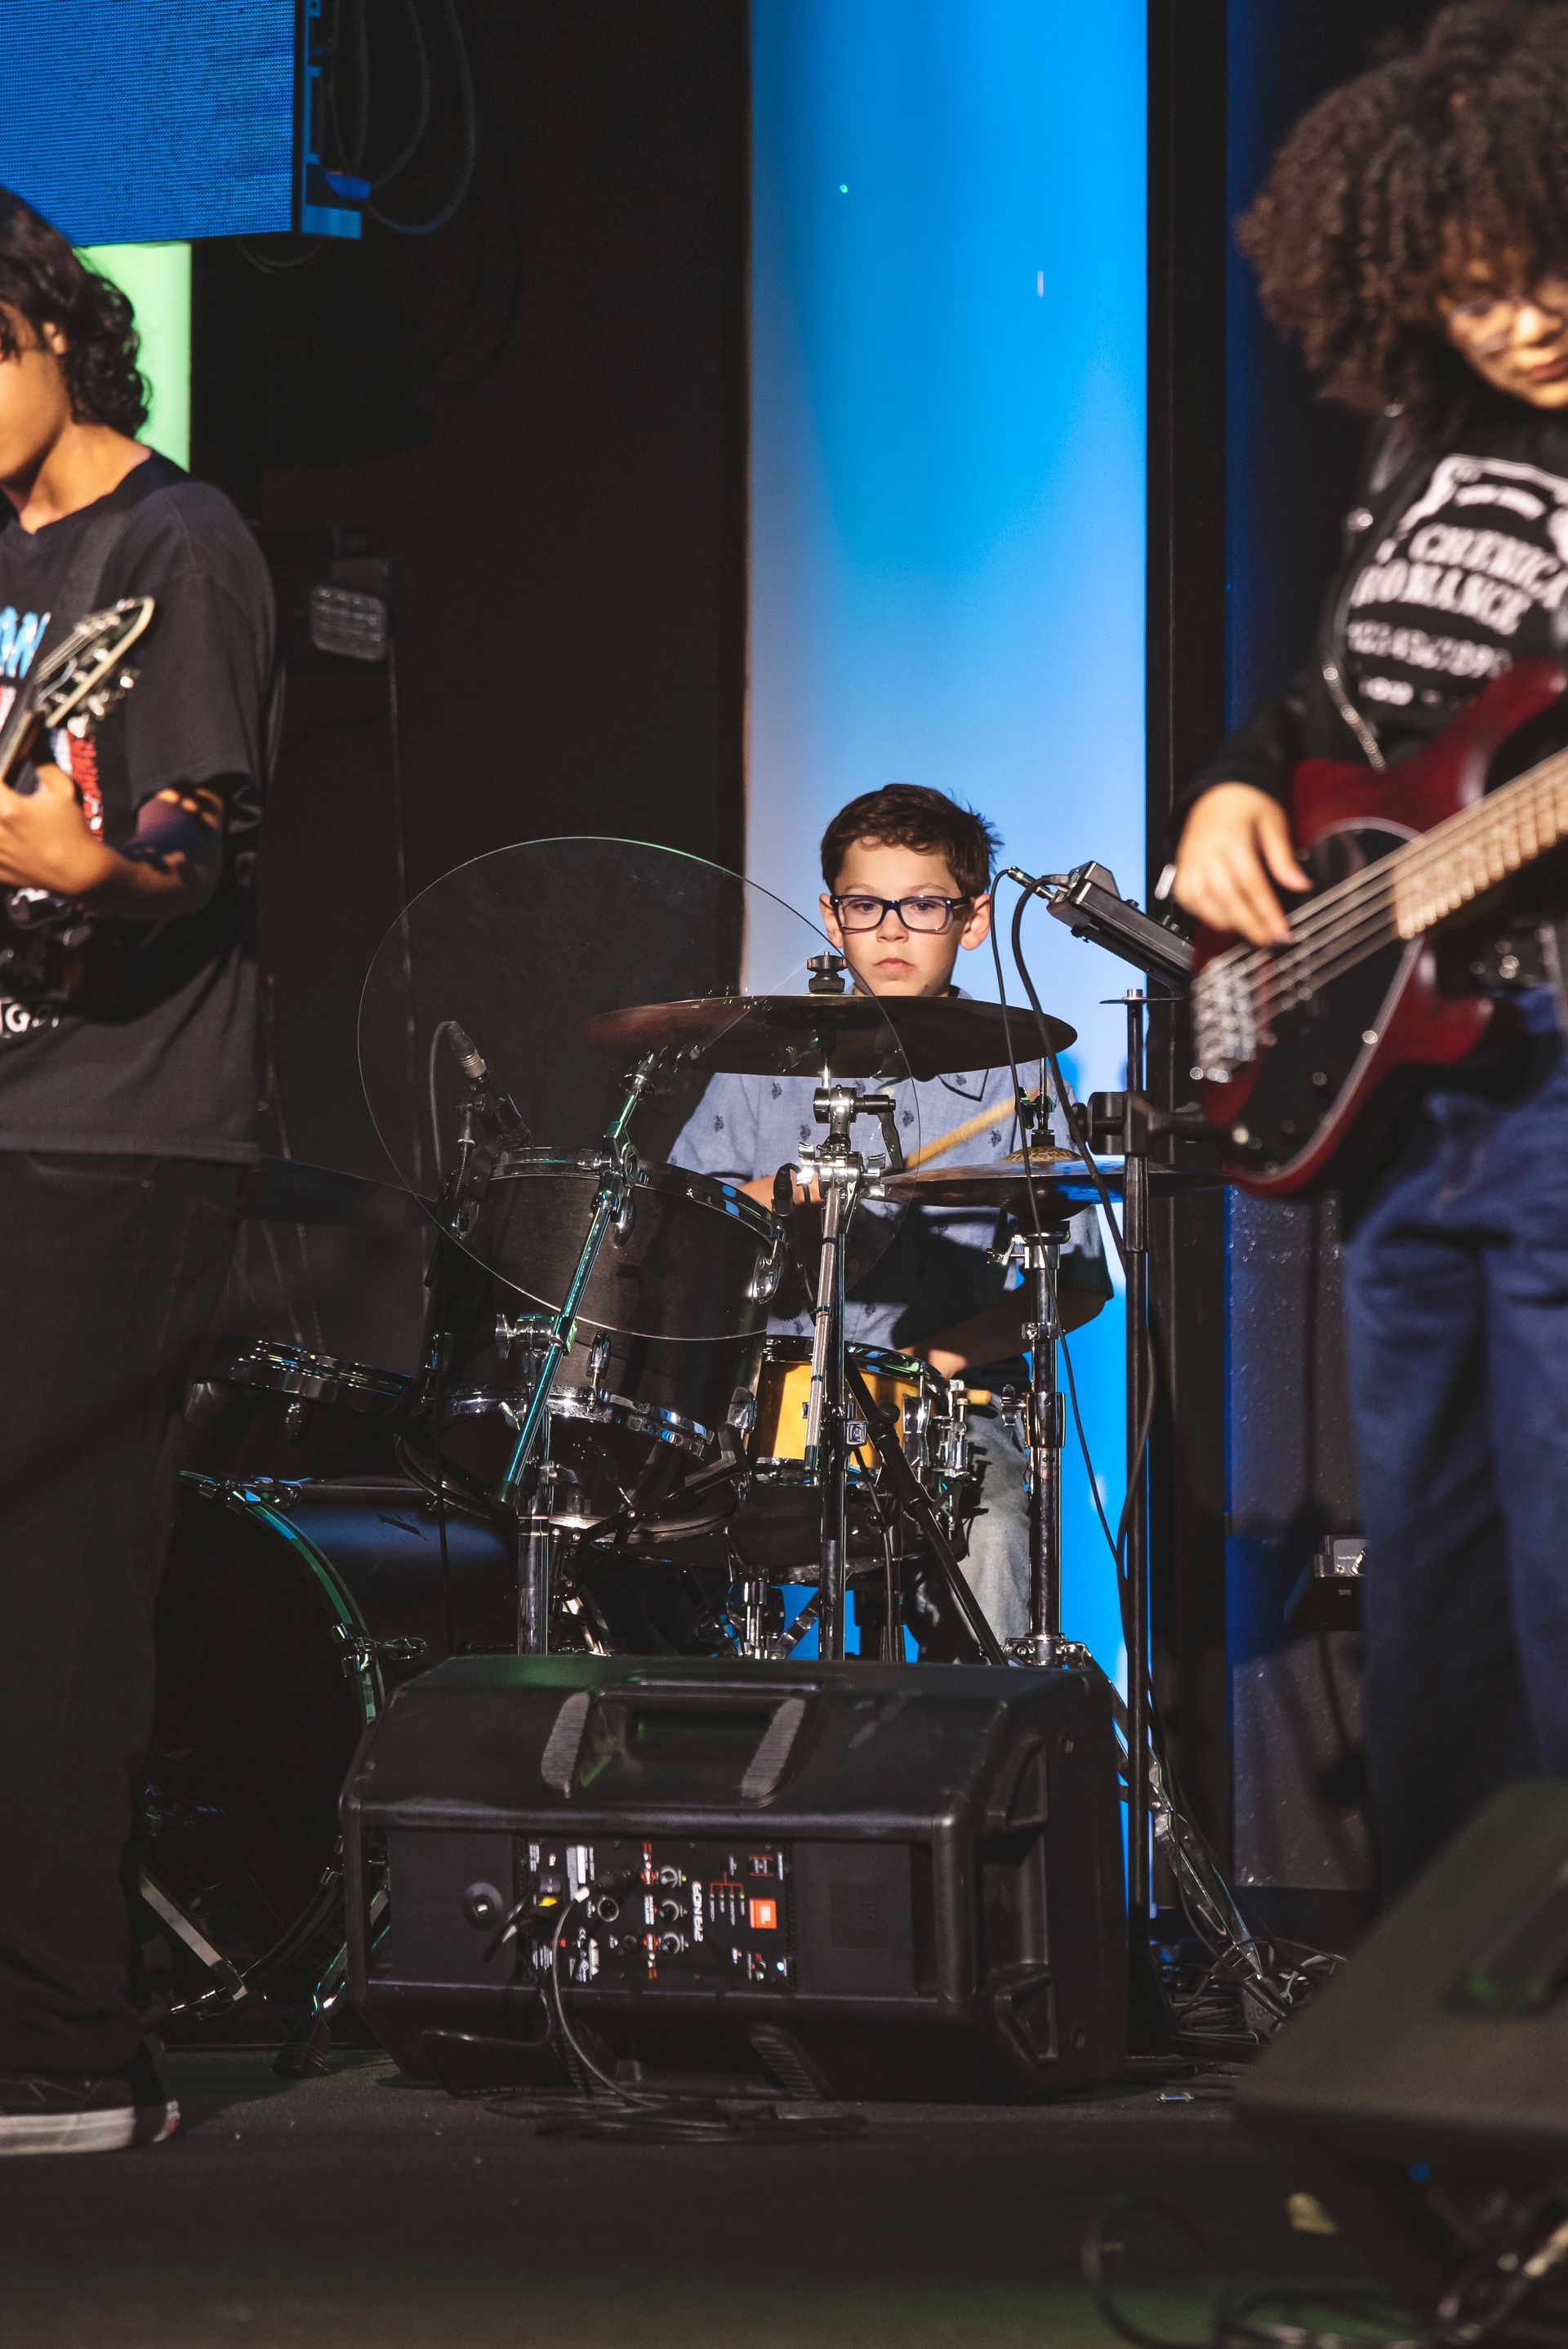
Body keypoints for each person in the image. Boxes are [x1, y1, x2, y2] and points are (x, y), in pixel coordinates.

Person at [1166, 1, 1568, 1893]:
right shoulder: (1424, 434)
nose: (1522, 318)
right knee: (1432, 1596)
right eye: (1476, 287)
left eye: (1544, 268)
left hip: (1556, 1063)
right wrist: (1234, 785)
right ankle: (1442, 2017)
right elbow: (1339, 709)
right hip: (1409, 1096)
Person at [0, 191, 274, 2151]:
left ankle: (66, 2049)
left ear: (44, 332)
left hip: (112, 1138)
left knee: (53, 1587)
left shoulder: (181, 545)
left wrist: (95, 864)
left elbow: (192, 841)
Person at [669, 783, 1110, 1646]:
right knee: (652, 1521)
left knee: (992, 1532)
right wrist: (777, 1195)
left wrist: (933, 1363)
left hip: (948, 1401)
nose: (894, 930)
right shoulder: (761, 1058)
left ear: (973, 920)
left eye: (924, 905)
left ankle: (982, 1714)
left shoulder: (1019, 1074)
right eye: (867, 905)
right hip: (767, 1397)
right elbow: (682, 1227)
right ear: (832, 917)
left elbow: (1079, 1283)